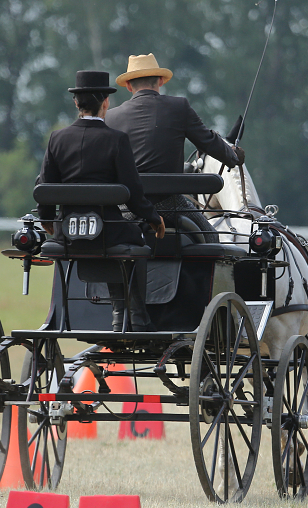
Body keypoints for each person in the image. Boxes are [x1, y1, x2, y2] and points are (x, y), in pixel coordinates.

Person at [37, 70, 165, 332]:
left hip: (68, 235)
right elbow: (133, 191)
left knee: (118, 240)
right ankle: (135, 317)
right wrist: (153, 218)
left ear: (76, 103)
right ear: (105, 102)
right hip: (108, 231)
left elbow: (45, 187)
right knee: (136, 237)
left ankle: (71, 318)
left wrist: (47, 220)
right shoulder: (116, 140)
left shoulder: (57, 139)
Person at [105, 53, 245, 239]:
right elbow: (209, 142)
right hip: (171, 205)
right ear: (161, 81)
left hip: (126, 206)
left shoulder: (111, 117)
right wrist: (233, 156)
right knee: (211, 237)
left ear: (129, 85)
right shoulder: (179, 107)